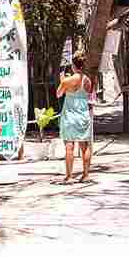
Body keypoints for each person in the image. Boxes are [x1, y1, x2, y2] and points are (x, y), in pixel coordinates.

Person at [55, 51, 93, 183]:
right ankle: (86, 174)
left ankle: (69, 176)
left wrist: (62, 81)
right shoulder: (87, 80)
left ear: (73, 65)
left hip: (70, 115)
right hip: (83, 114)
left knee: (69, 146)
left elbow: (58, 94)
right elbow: (88, 95)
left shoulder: (68, 80)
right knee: (85, 145)